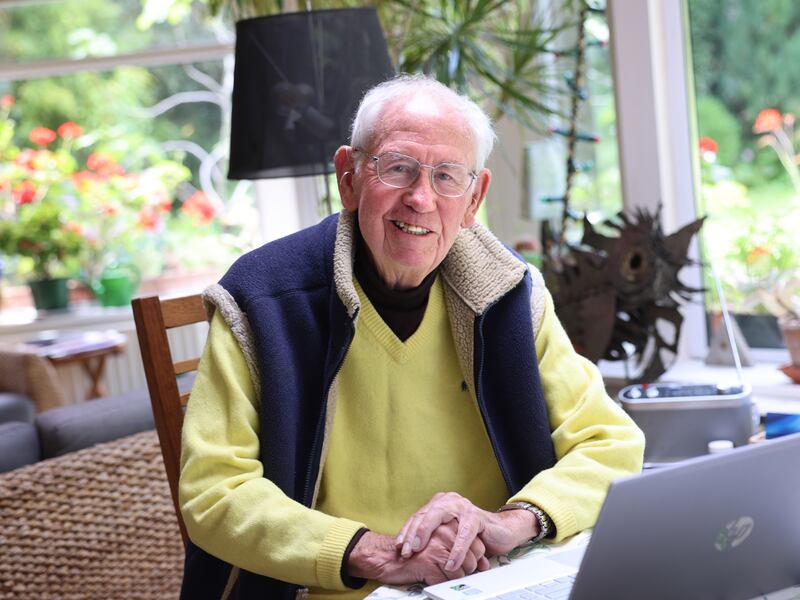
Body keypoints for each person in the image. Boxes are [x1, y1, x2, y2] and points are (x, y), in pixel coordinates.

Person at [178, 74, 645, 600]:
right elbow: (214, 492)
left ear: (474, 198)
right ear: (349, 178)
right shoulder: (262, 299)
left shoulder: (510, 295)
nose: (420, 198)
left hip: (487, 585)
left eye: (447, 176)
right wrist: (376, 554)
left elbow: (611, 443)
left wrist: (510, 523)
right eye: (397, 168)